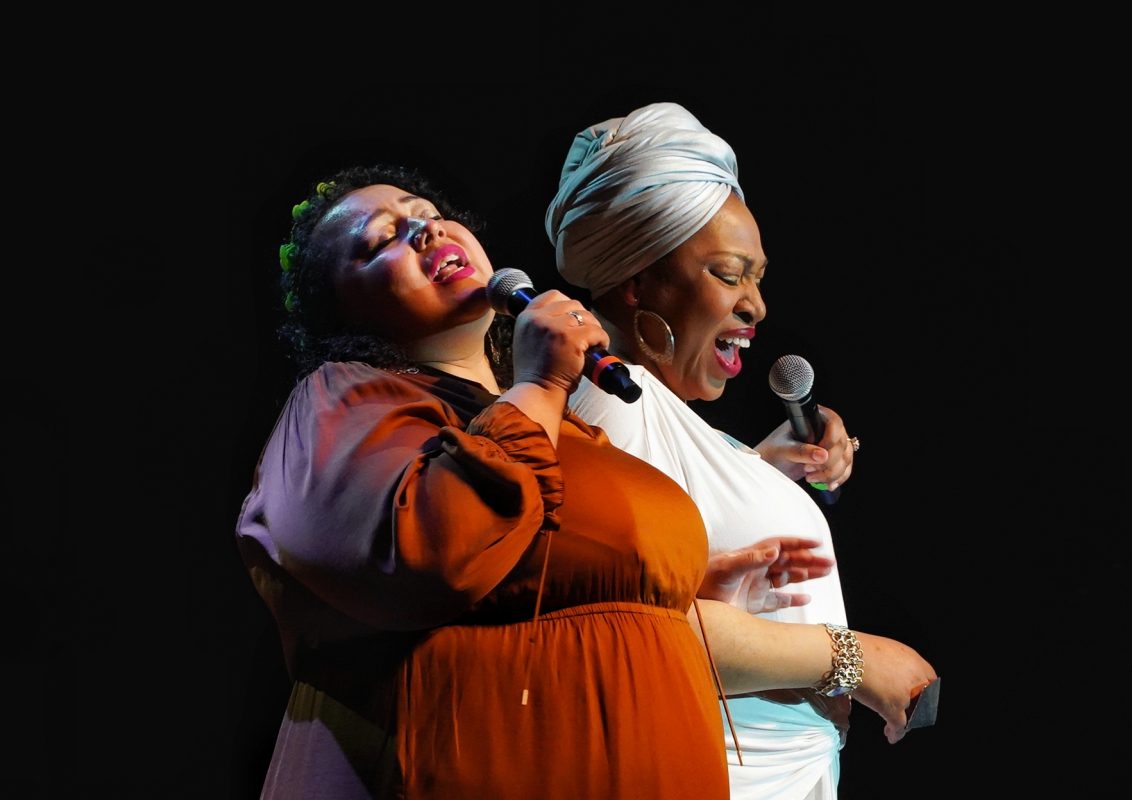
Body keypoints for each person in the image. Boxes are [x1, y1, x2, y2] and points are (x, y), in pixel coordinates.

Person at [234, 164, 912, 799]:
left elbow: (553, 580)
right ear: (344, 315)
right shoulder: (341, 400)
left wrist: (684, 591)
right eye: (382, 239)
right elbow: (432, 548)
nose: (425, 229)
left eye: (428, 213)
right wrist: (537, 382)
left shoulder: (556, 425)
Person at [545, 102, 938, 799]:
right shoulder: (611, 398)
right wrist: (855, 661)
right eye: (730, 276)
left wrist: (756, 468)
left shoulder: (655, 414)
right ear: (639, 281)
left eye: (758, 278)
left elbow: (682, 549)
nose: (756, 305)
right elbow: (631, 632)